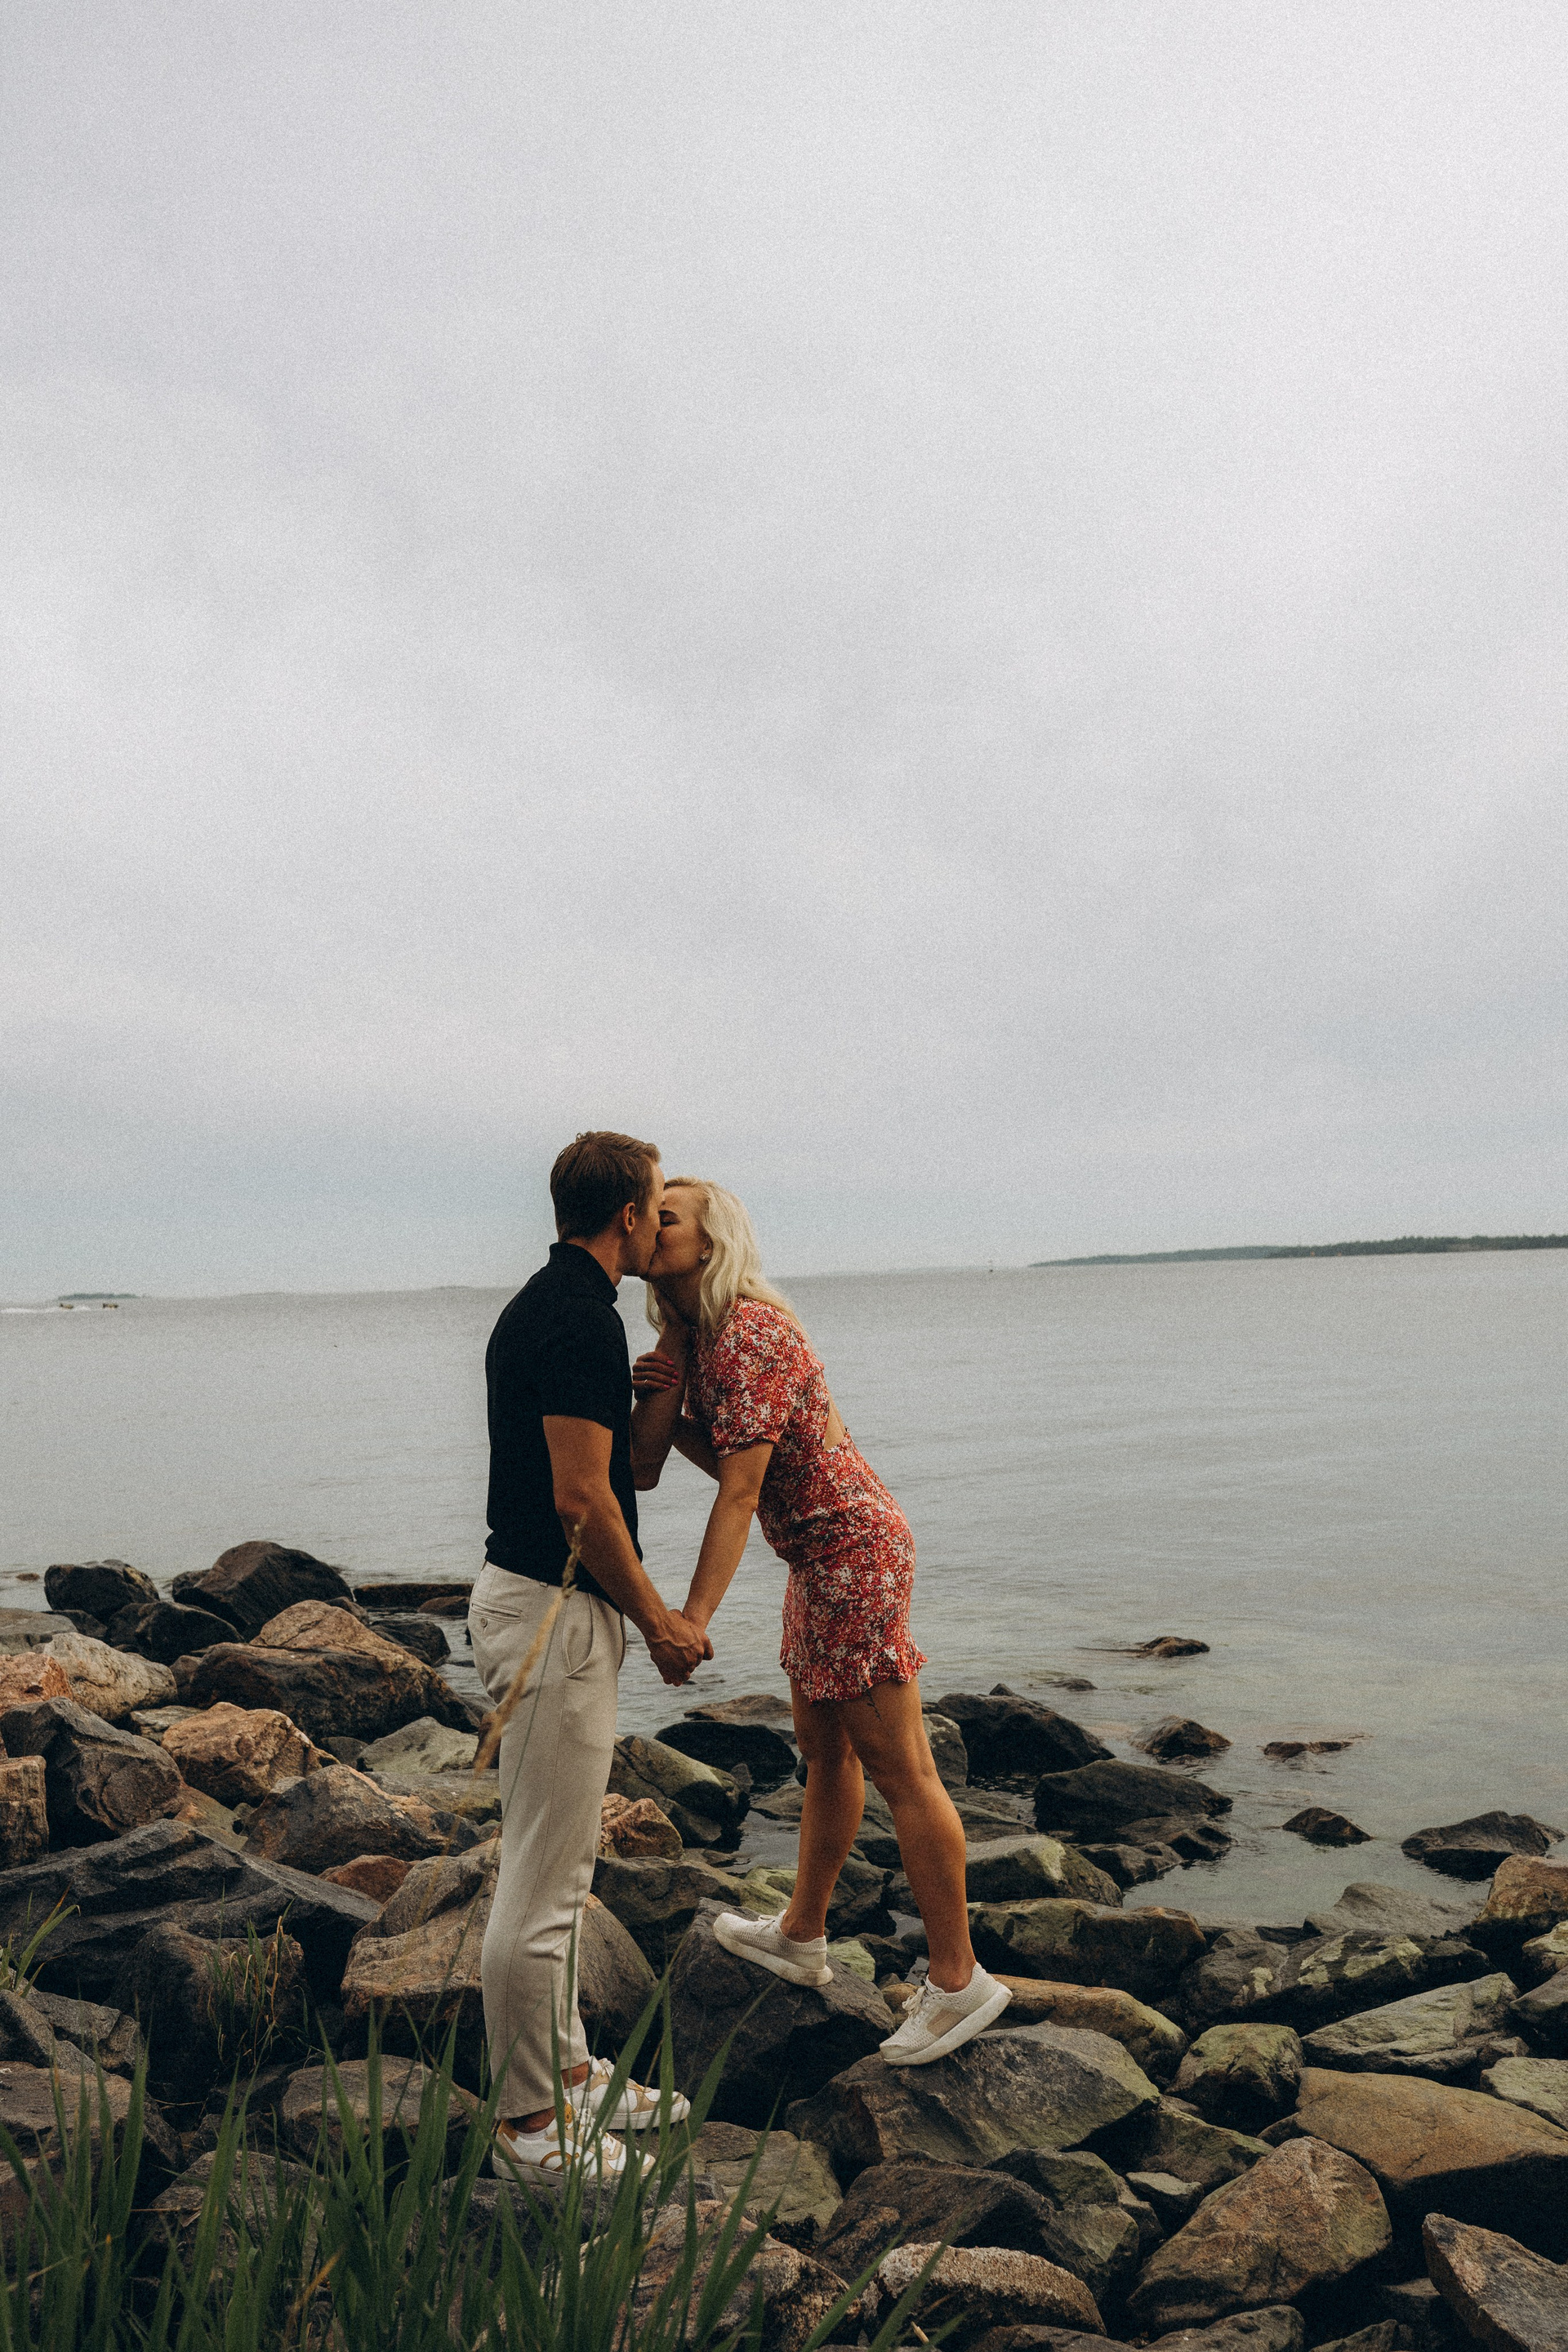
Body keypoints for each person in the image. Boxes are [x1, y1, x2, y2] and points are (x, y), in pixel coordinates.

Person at [630, 1178, 1010, 2065]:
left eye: (666, 1216)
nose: (647, 1224)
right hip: (818, 1556)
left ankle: (959, 1980)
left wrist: (691, 1615)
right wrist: (668, 1382)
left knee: (905, 1770)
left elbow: (741, 1491)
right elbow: (664, 1466)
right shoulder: (703, 1338)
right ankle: (801, 1935)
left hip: (853, 1552)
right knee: (824, 1751)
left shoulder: (752, 1333)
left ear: (709, 1243)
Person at [471, 1131, 710, 2185]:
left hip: (549, 1609)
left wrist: (657, 1383)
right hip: (553, 1615)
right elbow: (582, 1504)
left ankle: (564, 2075)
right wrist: (660, 1621)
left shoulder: (565, 1307)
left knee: (561, 1869)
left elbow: (627, 1477)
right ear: (627, 1217)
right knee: (540, 1884)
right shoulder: (576, 1319)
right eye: (657, 1210)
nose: (661, 1226)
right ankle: (529, 2128)